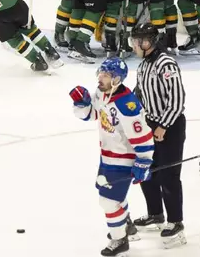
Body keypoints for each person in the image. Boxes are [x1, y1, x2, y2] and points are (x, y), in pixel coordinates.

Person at [69, 57, 155, 256]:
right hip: (107, 156)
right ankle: (126, 225)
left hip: (123, 159)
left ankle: (120, 240)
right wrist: (82, 103)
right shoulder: (101, 93)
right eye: (101, 73)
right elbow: (92, 115)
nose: (101, 78)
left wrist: (143, 161)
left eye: (106, 75)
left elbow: (142, 135)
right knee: (114, 197)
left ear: (116, 79)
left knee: (107, 201)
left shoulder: (127, 105)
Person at [130, 22, 187, 249]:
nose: (134, 44)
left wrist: (162, 126)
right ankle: (155, 213)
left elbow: (177, 99)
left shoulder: (166, 64)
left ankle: (176, 222)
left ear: (149, 42)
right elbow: (139, 93)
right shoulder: (144, 65)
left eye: (138, 41)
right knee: (147, 171)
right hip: (149, 125)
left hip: (170, 126)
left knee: (169, 176)